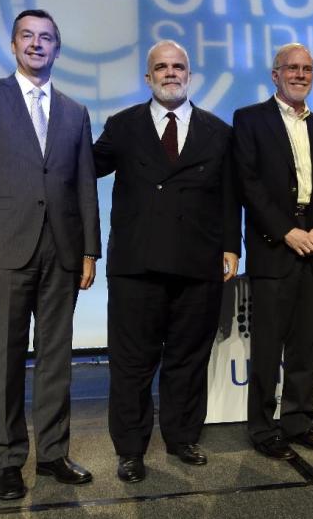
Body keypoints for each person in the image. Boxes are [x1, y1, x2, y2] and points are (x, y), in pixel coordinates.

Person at [0, 9, 102, 500]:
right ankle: (8, 461)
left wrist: (89, 250)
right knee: (8, 359)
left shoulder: (75, 112)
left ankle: (54, 454)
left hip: (61, 252)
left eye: (46, 38)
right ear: (13, 44)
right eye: (28, 36)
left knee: (57, 359)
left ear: (57, 49)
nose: (36, 44)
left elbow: (84, 186)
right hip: (4, 249)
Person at [93, 40, 240, 482]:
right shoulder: (122, 126)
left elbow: (230, 197)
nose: (170, 73)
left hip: (198, 264)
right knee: (132, 363)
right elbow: (84, 167)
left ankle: (181, 437)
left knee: (188, 358)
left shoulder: (218, 131)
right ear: (148, 77)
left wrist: (231, 246)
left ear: (189, 75)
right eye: (161, 67)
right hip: (137, 265)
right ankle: (131, 448)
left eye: (178, 67)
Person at [233, 43, 313, 460]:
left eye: (307, 69)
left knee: (307, 345)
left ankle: (299, 421)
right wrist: (285, 232)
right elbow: (248, 184)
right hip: (274, 247)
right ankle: (262, 428)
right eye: (291, 68)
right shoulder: (249, 120)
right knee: (267, 346)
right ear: (274, 75)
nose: (300, 74)